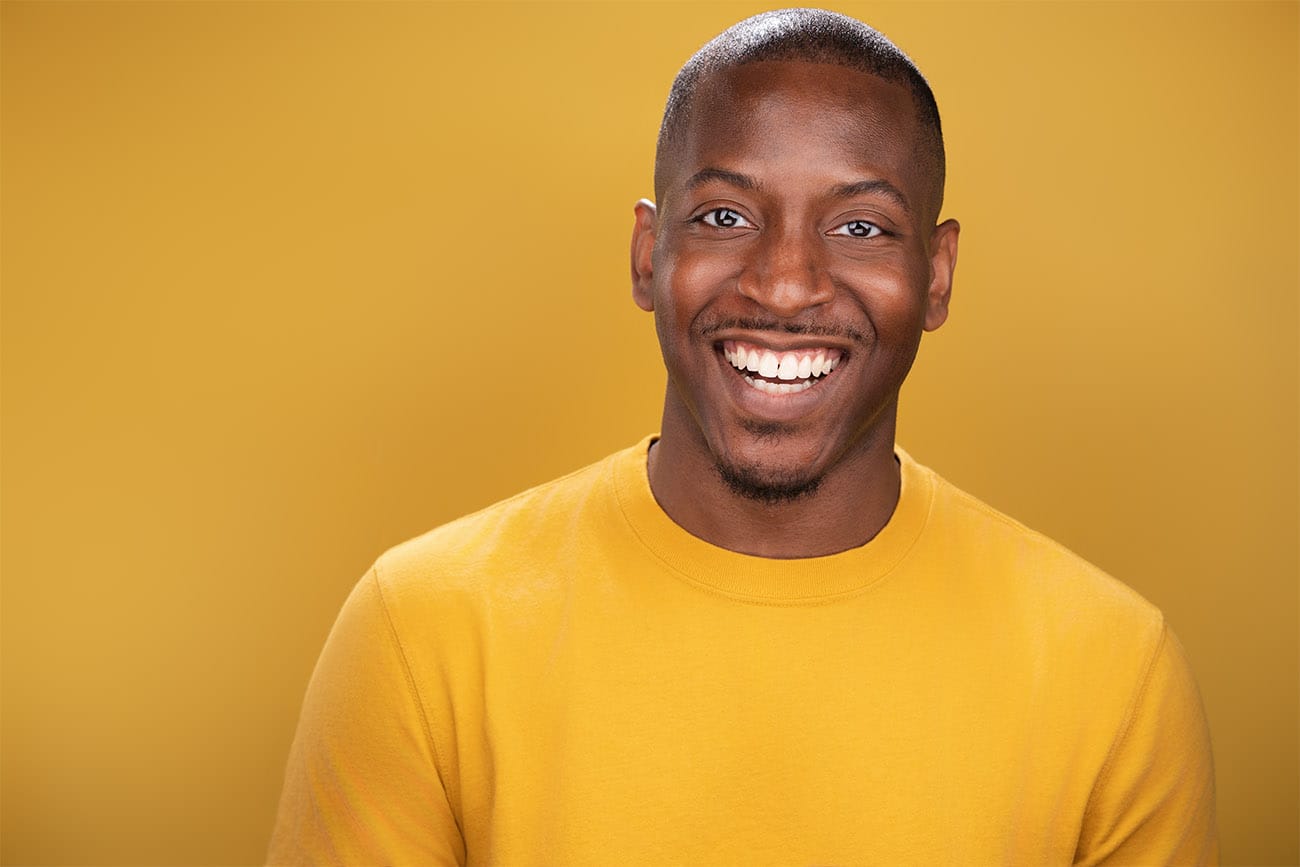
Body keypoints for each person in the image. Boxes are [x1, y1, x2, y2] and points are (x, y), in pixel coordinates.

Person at [268, 9, 1217, 864]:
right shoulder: (423, 630)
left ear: (938, 273)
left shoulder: (1112, 673)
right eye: (725, 216)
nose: (786, 283)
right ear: (650, 255)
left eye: (861, 225)